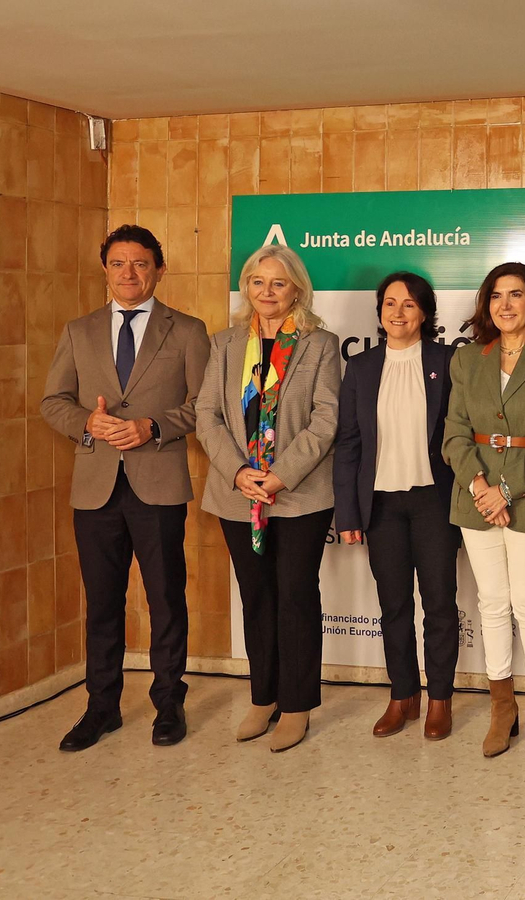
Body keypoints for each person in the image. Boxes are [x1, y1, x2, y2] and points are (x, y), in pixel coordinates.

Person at [41, 225, 210, 752]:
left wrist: (152, 427)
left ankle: (168, 704)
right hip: (95, 488)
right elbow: (54, 401)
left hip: (157, 482)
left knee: (165, 597)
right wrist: (87, 425)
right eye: (118, 264)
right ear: (106, 271)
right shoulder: (79, 330)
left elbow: (206, 407)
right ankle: (102, 708)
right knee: (103, 602)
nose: (129, 273)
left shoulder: (186, 330)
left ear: (160, 269)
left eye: (140, 263)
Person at [195, 244, 341, 753]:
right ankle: (264, 696)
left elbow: (326, 421)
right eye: (258, 282)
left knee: (295, 595)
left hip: (297, 495)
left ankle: (297, 705)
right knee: (257, 595)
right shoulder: (225, 344)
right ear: (246, 288)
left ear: (296, 289)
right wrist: (238, 472)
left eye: (278, 283)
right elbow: (207, 415)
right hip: (237, 495)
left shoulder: (320, 344)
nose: (267, 292)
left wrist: (278, 476)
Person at [442, 262, 525, 758]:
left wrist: (506, 490)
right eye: (496, 296)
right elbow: (453, 432)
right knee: (492, 604)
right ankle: (503, 709)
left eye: (516, 295)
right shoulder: (467, 359)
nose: (505, 305)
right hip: (475, 497)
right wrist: (479, 485)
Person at [334, 272, 461, 740]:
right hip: (381, 505)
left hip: (434, 502)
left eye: (409, 304)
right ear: (380, 312)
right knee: (393, 608)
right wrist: (347, 514)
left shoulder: (447, 361)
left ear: (424, 313)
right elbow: (348, 444)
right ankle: (402, 695)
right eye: (390, 303)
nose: (398, 312)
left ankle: (440, 700)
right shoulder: (362, 367)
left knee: (441, 607)